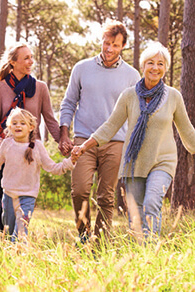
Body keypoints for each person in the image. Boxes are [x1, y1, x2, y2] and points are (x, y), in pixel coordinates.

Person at [71, 42, 195, 239]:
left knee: (152, 202)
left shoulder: (173, 96)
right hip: (135, 162)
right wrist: (85, 145)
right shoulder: (129, 96)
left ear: (165, 68)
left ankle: (150, 252)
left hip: (163, 161)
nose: (155, 68)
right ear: (143, 66)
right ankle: (140, 254)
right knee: (135, 214)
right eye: (151, 63)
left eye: (161, 64)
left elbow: (188, 132)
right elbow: (110, 126)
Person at [59, 20, 140, 243]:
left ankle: (101, 242)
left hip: (115, 141)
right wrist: (64, 133)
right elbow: (68, 102)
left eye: (115, 45)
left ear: (123, 46)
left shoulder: (132, 76)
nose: (109, 49)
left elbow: (135, 113)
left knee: (106, 196)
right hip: (83, 139)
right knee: (80, 190)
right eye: (106, 43)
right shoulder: (82, 68)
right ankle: (84, 236)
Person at [0, 43, 60, 232]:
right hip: (6, 152)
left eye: (31, 57)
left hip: (30, 152)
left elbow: (50, 119)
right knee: (6, 200)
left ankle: (20, 239)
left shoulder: (40, 88)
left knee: (26, 201)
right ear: (13, 62)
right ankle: (6, 241)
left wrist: (63, 142)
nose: (31, 61)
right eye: (26, 58)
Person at [0, 108, 74, 241]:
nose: (18, 126)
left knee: (20, 233)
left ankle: (19, 254)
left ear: (31, 127)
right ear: (9, 127)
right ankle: (11, 258)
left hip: (27, 197)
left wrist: (71, 161)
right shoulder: (7, 144)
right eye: (14, 123)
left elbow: (53, 168)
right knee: (9, 233)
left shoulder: (37, 147)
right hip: (8, 196)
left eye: (22, 123)